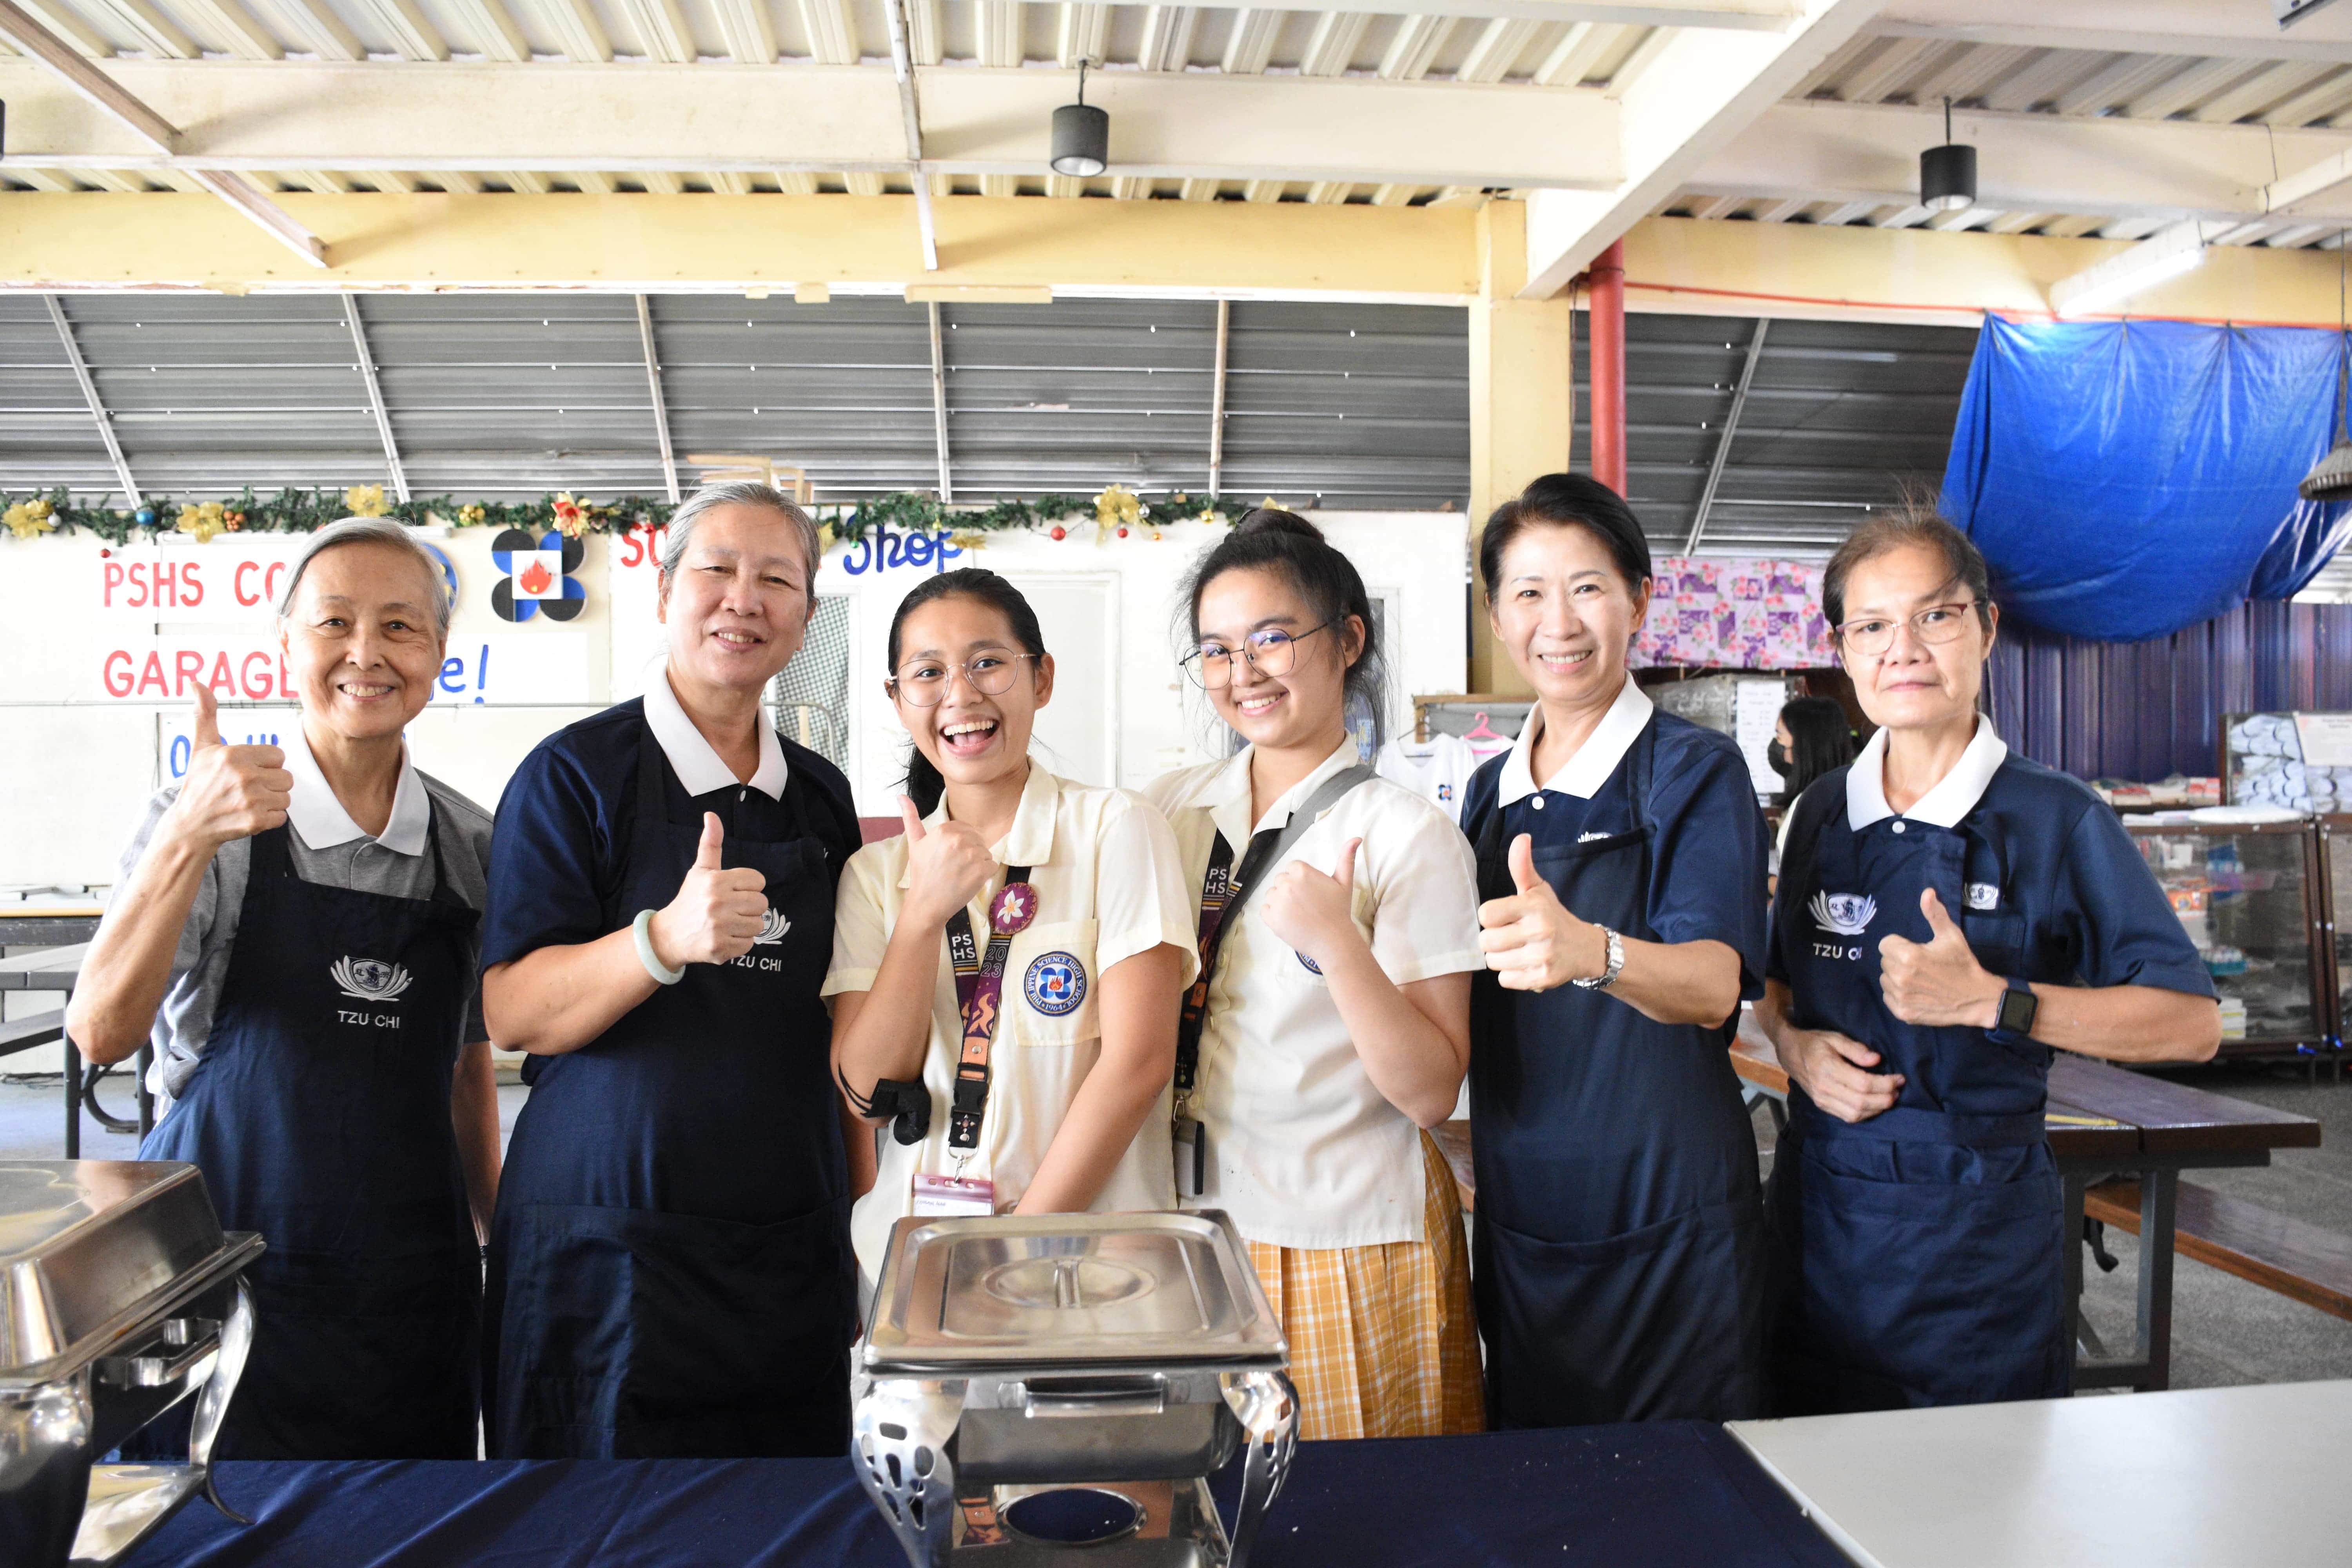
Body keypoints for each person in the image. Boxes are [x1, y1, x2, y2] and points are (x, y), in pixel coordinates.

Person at [1760, 510, 2220, 1414]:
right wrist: (1793, 1048)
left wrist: (1995, 1004)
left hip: (1972, 1239)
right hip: (1817, 1216)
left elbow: (2192, 1022)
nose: (1905, 649)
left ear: (1986, 627)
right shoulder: (1819, 812)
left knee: (1970, 1506)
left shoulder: (2053, 816)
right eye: (1873, 625)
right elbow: (1776, 985)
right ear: (1843, 649)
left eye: (1935, 616)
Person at [69, 517, 500, 1459]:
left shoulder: (473, 847)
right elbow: (101, 1031)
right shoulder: (210, 820)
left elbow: (468, 1071)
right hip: (214, 1282)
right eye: (333, 622)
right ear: (285, 645)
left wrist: (501, 1245)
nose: (365, 653)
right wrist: (187, 835)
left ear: (437, 653)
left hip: (409, 1298)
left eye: (399, 626)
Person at [479, 481, 862, 1458]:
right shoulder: (574, 774)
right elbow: (513, 1010)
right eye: (718, 570)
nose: (745, 598)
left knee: (785, 1519)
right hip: (607, 1251)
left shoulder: (821, 796)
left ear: (804, 617)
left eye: (777, 578)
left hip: (784, 1243)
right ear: (663, 592)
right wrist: (658, 942)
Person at [1145, 509, 1485, 1442]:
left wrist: (1338, 944)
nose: (1241, 671)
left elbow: (1429, 1088)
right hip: (1192, 1227)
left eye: (1270, 638)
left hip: (1342, 1231)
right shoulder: (1173, 809)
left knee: (1358, 1516)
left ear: (1347, 641)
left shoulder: (1408, 834)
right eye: (1214, 649)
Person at [1459, 473, 1770, 1428]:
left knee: (1683, 1494)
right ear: (1498, 616)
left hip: (1668, 1208)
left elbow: (1717, 984)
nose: (1559, 621)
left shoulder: (1692, 772)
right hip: (1524, 1211)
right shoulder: (1484, 795)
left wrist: (1590, 948)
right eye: (1529, 592)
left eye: (1588, 586)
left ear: (1639, 598)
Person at [828, 570, 1195, 1288]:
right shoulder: (876, 874)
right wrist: (921, 917)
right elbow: (866, 1093)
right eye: (927, 672)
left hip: (1093, 1270)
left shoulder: (1116, 829)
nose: (960, 695)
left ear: (1042, 678)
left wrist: (1016, 1250)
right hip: (919, 1266)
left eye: (988, 662)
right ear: (898, 700)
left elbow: (1138, 1064)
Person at [1769, 695, 1859, 889]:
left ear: (1804, 743)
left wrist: (1765, 882)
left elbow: (1798, 887)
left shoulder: (1811, 804)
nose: (1777, 743)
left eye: (1780, 735)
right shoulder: (1849, 793)